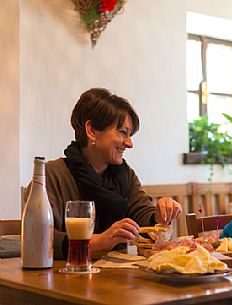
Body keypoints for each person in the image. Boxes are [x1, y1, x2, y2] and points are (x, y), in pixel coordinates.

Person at [42, 88, 182, 259]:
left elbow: (143, 216)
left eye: (130, 135)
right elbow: (41, 237)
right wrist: (97, 242)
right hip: (66, 278)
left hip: (117, 278)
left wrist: (159, 216)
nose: (129, 143)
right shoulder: (53, 174)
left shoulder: (124, 175)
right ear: (92, 130)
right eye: (123, 132)